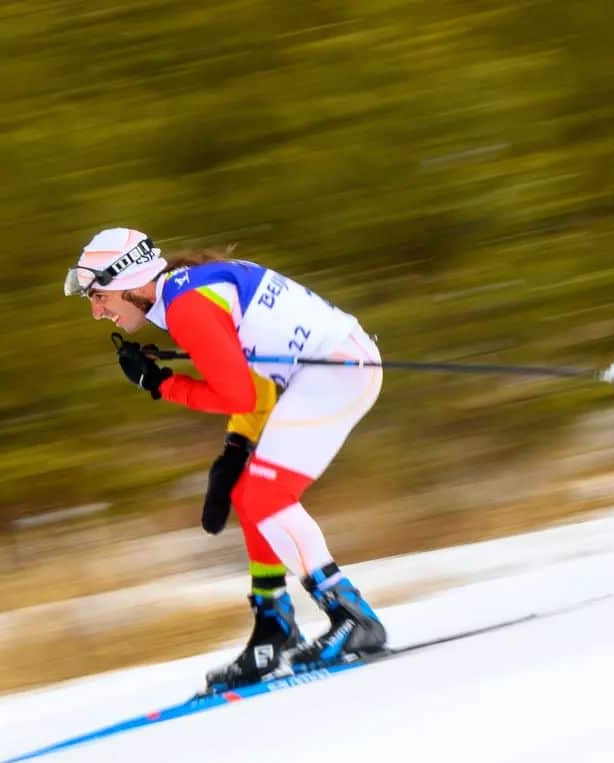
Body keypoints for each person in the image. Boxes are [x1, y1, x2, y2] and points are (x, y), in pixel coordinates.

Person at [64, 228, 388, 690]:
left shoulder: (186, 305)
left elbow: (236, 393)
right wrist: (236, 447)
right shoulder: (185, 289)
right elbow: (252, 376)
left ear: (128, 281)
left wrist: (160, 384)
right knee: (250, 492)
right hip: (329, 368)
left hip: (336, 373)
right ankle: (274, 625)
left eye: (99, 297)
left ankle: (352, 616)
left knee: (265, 496)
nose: (98, 312)